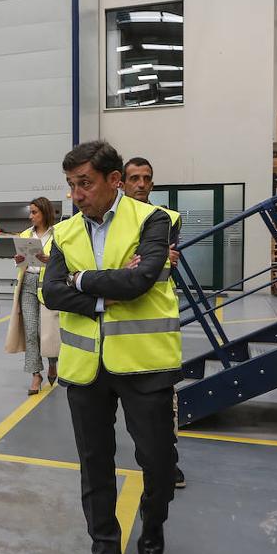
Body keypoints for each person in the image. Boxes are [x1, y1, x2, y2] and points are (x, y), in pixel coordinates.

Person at [42, 140, 182, 554]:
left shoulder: (153, 220)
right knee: (94, 464)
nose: (76, 194)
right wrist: (107, 292)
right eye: (70, 185)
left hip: (145, 364)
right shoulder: (64, 233)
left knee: (158, 461)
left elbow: (141, 280)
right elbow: (52, 293)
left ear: (114, 181)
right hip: (87, 367)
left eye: (85, 183)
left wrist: (80, 281)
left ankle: (153, 518)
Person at [123, 156, 186, 490]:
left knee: (164, 403)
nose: (141, 184)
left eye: (146, 178)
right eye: (134, 178)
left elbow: (151, 262)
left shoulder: (166, 218)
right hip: (122, 319)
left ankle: (168, 462)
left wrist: (155, 259)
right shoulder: (113, 219)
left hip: (157, 319)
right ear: (121, 182)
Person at [4, 197, 60, 395]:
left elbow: (64, 262)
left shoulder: (58, 234)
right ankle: (36, 374)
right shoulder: (26, 234)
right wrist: (18, 260)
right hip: (27, 282)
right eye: (30, 212)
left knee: (45, 330)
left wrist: (49, 260)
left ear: (44, 212)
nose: (31, 216)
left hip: (48, 286)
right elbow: (21, 264)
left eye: (34, 212)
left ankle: (53, 362)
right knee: (30, 330)